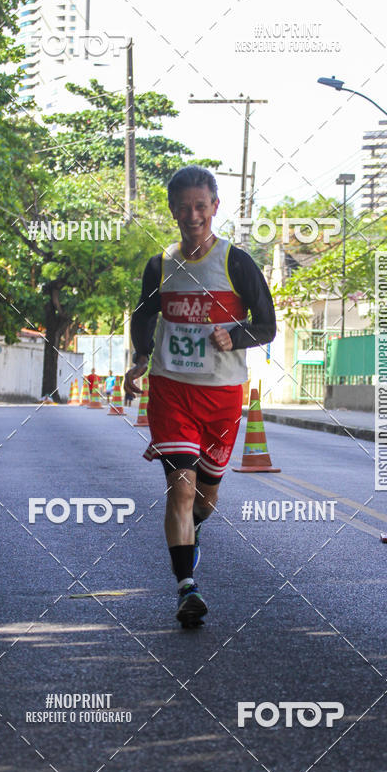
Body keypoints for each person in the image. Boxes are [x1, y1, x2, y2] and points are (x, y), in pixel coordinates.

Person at [124, 165, 276, 627]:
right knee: (182, 490)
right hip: (171, 392)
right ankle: (186, 587)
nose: (193, 215)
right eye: (184, 207)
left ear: (214, 206)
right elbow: (142, 316)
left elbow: (267, 324)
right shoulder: (160, 265)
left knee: (204, 500)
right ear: (172, 210)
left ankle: (187, 537)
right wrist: (140, 358)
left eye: (201, 206)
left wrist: (236, 334)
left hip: (222, 398)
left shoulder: (236, 262)